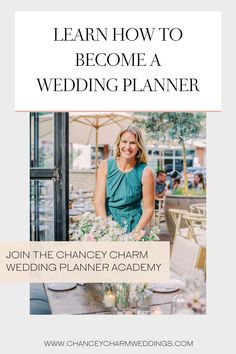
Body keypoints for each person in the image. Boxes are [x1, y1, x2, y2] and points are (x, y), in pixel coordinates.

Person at [95, 125, 155, 233]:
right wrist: (105, 228)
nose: (127, 147)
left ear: (139, 146)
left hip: (133, 226)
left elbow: (148, 209)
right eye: (124, 142)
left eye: (132, 143)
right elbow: (99, 201)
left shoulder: (146, 172)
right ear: (118, 144)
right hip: (107, 223)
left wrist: (136, 231)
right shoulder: (105, 166)